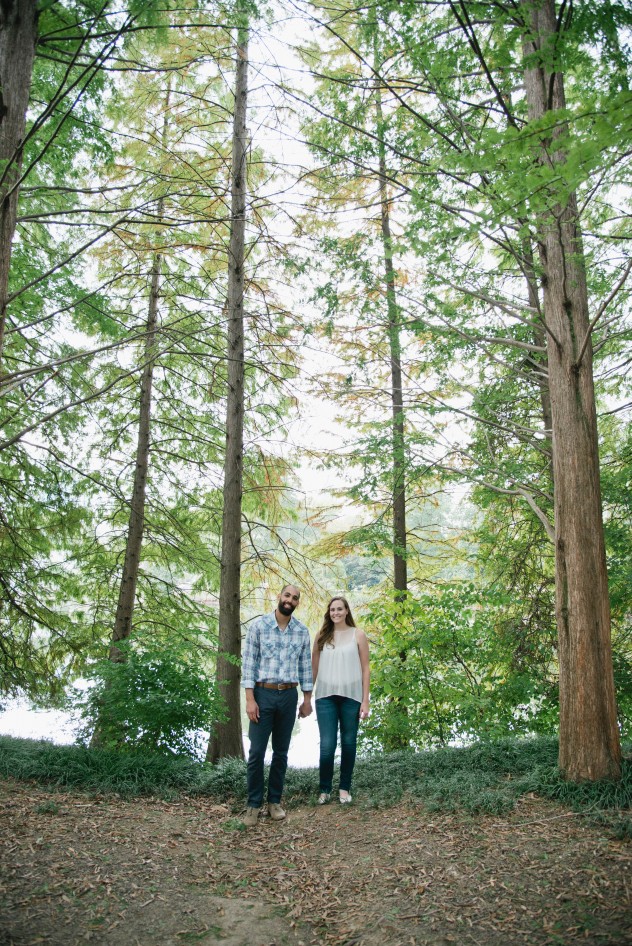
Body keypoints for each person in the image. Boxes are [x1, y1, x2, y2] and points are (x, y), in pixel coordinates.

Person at [241, 584, 313, 827]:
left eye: (294, 598)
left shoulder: (302, 631)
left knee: (281, 753)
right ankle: (253, 805)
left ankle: (274, 802)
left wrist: (306, 699)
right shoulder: (259, 627)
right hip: (263, 694)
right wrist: (250, 699)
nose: (290, 600)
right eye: (287, 595)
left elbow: (305, 666)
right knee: (257, 753)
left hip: (288, 696)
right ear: (279, 597)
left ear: (297, 603)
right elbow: (249, 665)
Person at [312, 596, 370, 805]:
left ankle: (344, 788)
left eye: (339, 609)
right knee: (327, 745)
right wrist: (307, 697)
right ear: (329, 612)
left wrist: (365, 700)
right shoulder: (322, 635)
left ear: (346, 611)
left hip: (351, 697)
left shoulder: (358, 635)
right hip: (325, 697)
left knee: (348, 742)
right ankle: (324, 789)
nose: (335, 613)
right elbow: (314, 668)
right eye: (332, 610)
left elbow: (365, 668)